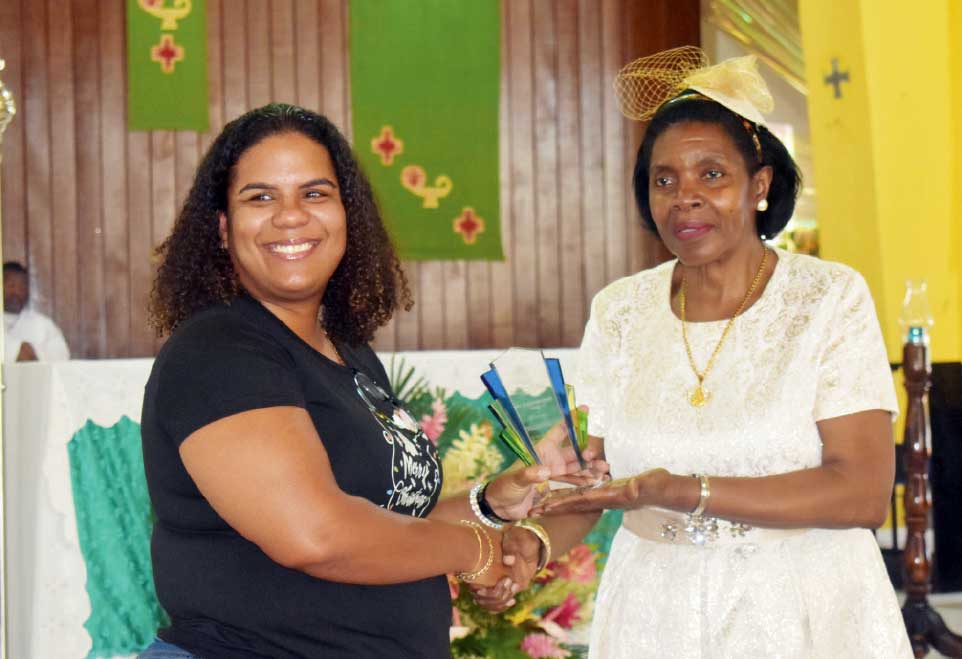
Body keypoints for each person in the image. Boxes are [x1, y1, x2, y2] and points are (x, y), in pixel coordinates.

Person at [139, 103, 606, 659]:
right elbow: (317, 535)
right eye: (260, 197)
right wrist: (477, 550)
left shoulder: (348, 353)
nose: (291, 216)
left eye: (314, 194)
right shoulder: (218, 351)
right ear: (222, 228)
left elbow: (386, 519)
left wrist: (489, 505)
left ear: (346, 215)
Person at [533, 48, 912, 658]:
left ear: (759, 184)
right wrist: (530, 546)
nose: (685, 196)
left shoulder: (826, 297)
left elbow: (862, 491)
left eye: (712, 174)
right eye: (665, 179)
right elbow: (591, 477)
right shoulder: (620, 311)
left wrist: (685, 490)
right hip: (655, 613)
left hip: (802, 608)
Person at [3, 261, 70, 362]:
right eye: (11, 286)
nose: (16, 292)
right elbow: (20, 353)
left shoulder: (43, 324)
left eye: (22, 287)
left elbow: (62, 357)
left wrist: (33, 353)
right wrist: (16, 350)